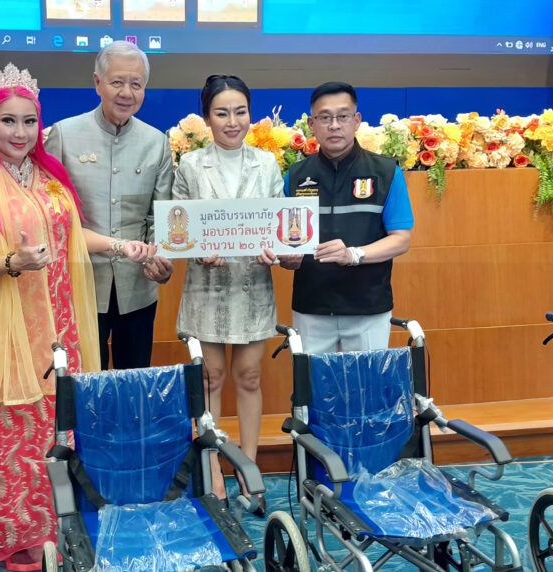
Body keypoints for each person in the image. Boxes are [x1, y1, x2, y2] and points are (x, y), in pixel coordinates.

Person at [0, 64, 150, 570]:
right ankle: (8, 537)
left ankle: (53, 529)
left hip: (56, 323)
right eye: (8, 121)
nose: (21, 132)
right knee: (7, 428)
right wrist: (11, 263)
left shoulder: (49, 177)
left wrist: (123, 247)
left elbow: (73, 235)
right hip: (2, 326)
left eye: (30, 121)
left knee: (52, 426)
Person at [174, 74, 283, 516]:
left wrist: (276, 247)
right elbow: (177, 228)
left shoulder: (267, 164)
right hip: (207, 288)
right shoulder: (190, 165)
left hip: (253, 285)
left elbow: (281, 222)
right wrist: (197, 249)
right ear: (207, 118)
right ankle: (214, 472)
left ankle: (249, 470)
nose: (232, 121)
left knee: (250, 377)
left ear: (250, 114)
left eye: (240, 111)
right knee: (211, 378)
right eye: (222, 113)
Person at [46, 40, 174, 370]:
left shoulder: (157, 143)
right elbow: (51, 216)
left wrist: (161, 258)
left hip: (137, 286)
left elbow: (158, 216)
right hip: (81, 283)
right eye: (117, 82)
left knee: (135, 380)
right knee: (84, 381)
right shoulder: (64, 135)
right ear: (97, 82)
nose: (126, 93)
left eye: (136, 84)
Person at [260, 81, 414, 353]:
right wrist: (286, 258)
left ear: (356, 120)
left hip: (368, 308)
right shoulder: (295, 176)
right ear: (311, 124)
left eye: (343, 116)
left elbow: (401, 239)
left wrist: (353, 254)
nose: (334, 125)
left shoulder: (386, 172)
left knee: (366, 381)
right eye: (325, 118)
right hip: (312, 307)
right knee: (314, 381)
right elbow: (284, 243)